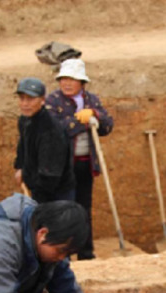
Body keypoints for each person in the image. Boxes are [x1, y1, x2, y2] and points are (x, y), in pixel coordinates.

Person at [45, 58, 114, 261]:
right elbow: (57, 129)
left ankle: (86, 253)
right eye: (63, 79)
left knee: (84, 210)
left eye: (72, 79)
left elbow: (108, 125)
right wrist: (80, 120)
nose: (66, 83)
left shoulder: (91, 100)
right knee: (65, 210)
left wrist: (95, 115)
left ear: (82, 82)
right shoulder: (53, 101)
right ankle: (63, 255)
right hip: (64, 167)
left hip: (85, 164)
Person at [13, 77, 75, 203]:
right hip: (38, 187)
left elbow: (49, 176)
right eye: (22, 98)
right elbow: (23, 146)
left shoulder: (51, 130)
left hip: (57, 194)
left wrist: (26, 176)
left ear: (42, 100)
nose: (25, 104)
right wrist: (20, 166)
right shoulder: (25, 120)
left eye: (30, 99)